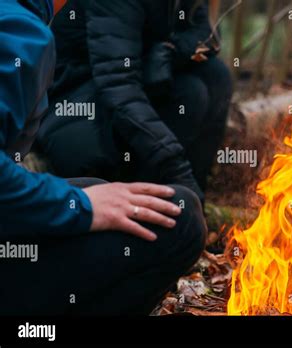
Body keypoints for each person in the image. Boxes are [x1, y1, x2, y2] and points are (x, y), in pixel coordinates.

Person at [0, 0, 207, 315]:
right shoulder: (18, 32)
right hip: (75, 131)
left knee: (106, 192)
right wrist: (80, 207)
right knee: (180, 218)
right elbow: (118, 82)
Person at [35, 0, 233, 195]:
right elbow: (118, 86)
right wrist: (176, 168)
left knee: (215, 75)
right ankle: (156, 197)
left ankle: (188, 203)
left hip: (122, 95)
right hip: (73, 116)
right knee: (190, 94)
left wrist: (170, 52)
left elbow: (205, 32)